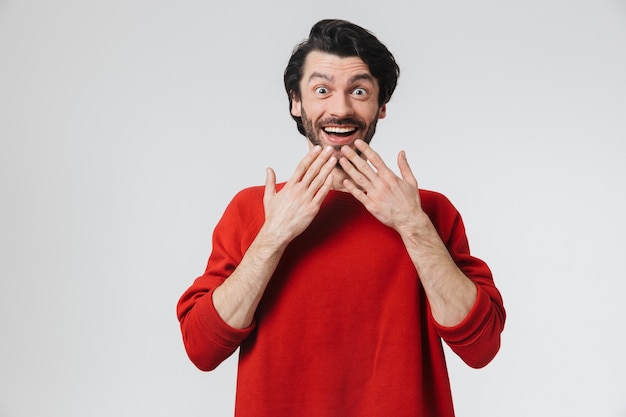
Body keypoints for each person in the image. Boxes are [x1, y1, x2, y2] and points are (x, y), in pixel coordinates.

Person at [177, 19, 506, 417]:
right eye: (322, 90)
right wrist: (273, 236)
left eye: (360, 91)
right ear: (296, 102)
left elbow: (481, 347)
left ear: (381, 105)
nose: (341, 108)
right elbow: (202, 348)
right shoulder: (253, 210)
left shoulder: (430, 213)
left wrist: (413, 226)